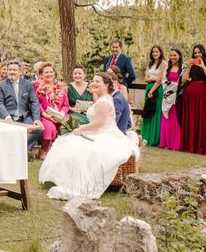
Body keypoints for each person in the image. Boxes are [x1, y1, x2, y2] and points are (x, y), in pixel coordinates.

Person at [39, 72, 140, 200]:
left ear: (107, 85)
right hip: (98, 131)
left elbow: (99, 123)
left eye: (98, 81)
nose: (94, 83)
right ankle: (66, 177)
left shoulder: (104, 101)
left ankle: (74, 180)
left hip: (104, 133)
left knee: (77, 147)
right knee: (65, 142)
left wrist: (81, 129)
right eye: (93, 81)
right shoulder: (102, 97)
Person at [0, 59, 44, 154]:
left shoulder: (27, 84)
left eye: (14, 70)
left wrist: (36, 118)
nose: (12, 72)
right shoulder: (0, 85)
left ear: (20, 72)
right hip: (9, 117)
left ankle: (23, 150)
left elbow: (34, 101)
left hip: (24, 116)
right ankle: (13, 151)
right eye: (10, 70)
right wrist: (7, 117)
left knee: (38, 129)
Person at [33, 62, 69, 158]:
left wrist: (61, 113)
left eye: (51, 72)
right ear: (41, 74)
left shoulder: (61, 86)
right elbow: (36, 103)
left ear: (54, 73)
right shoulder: (37, 86)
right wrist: (45, 115)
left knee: (66, 126)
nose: (49, 74)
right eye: (46, 72)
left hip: (59, 115)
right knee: (50, 128)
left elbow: (66, 105)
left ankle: (62, 150)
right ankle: (44, 150)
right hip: (44, 114)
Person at [181, 44, 206, 154]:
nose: (197, 55)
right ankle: (190, 145)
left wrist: (203, 66)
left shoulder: (204, 64)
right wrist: (189, 67)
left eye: (199, 52)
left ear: (203, 52)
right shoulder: (191, 65)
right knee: (192, 118)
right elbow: (184, 80)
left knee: (202, 117)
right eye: (195, 53)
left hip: (202, 94)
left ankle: (201, 145)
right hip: (190, 94)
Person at [140, 45, 167, 147]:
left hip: (156, 89)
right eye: (153, 52)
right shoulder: (149, 63)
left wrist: (151, 91)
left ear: (160, 53)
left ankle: (154, 138)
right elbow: (146, 78)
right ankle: (145, 137)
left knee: (155, 111)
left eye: (157, 51)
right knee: (147, 111)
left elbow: (159, 79)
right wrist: (152, 79)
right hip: (149, 87)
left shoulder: (163, 63)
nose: (155, 53)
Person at [160, 48, 183, 150]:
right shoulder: (167, 68)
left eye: (175, 55)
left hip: (176, 98)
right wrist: (171, 86)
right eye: (171, 55)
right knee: (167, 119)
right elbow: (163, 81)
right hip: (166, 98)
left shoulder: (183, 68)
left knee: (175, 120)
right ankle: (166, 143)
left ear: (179, 56)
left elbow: (181, 83)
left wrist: (173, 86)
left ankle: (175, 144)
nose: (173, 57)